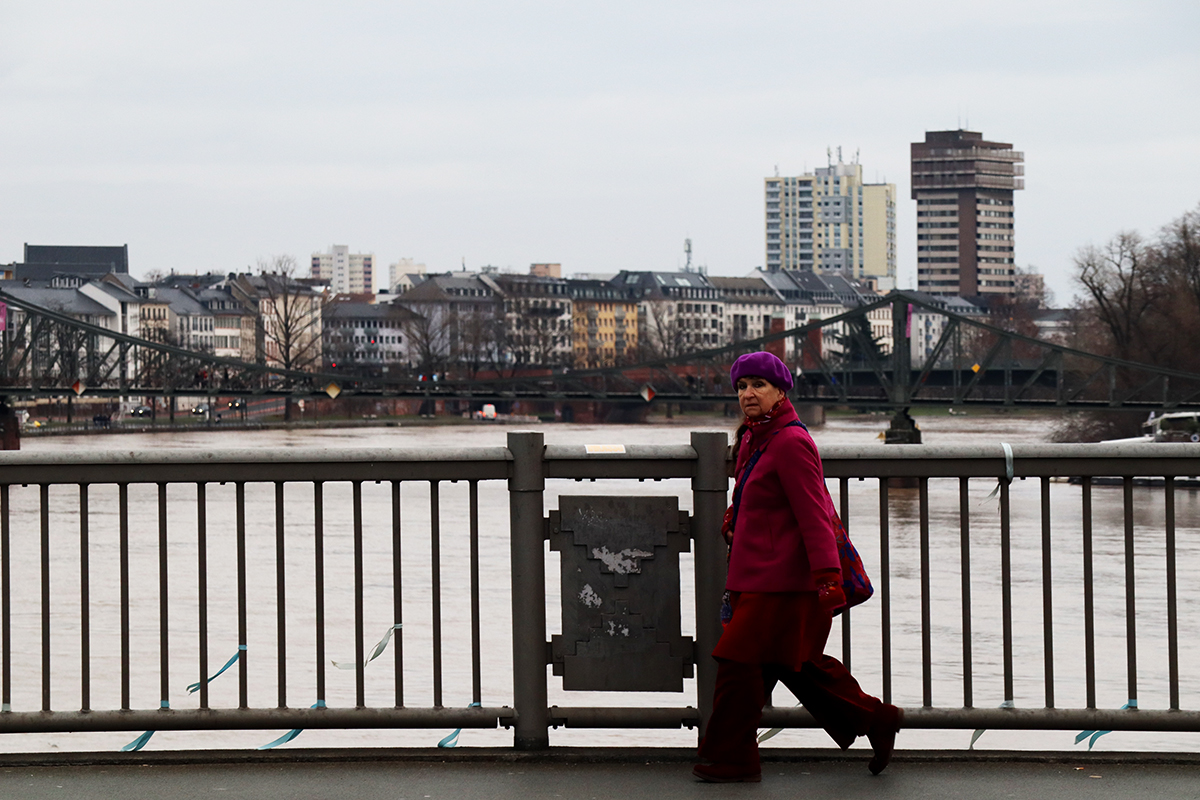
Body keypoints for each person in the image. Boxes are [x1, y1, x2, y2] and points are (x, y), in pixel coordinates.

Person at [693, 351, 902, 783]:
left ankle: (732, 759)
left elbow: (814, 515)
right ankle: (877, 719)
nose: (748, 394)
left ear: (780, 391)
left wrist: (828, 579)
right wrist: (733, 517)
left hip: (786, 581)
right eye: (741, 387)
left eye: (758, 385)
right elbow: (756, 495)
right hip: (757, 577)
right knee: (797, 664)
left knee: (737, 664)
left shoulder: (790, 441)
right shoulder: (754, 437)